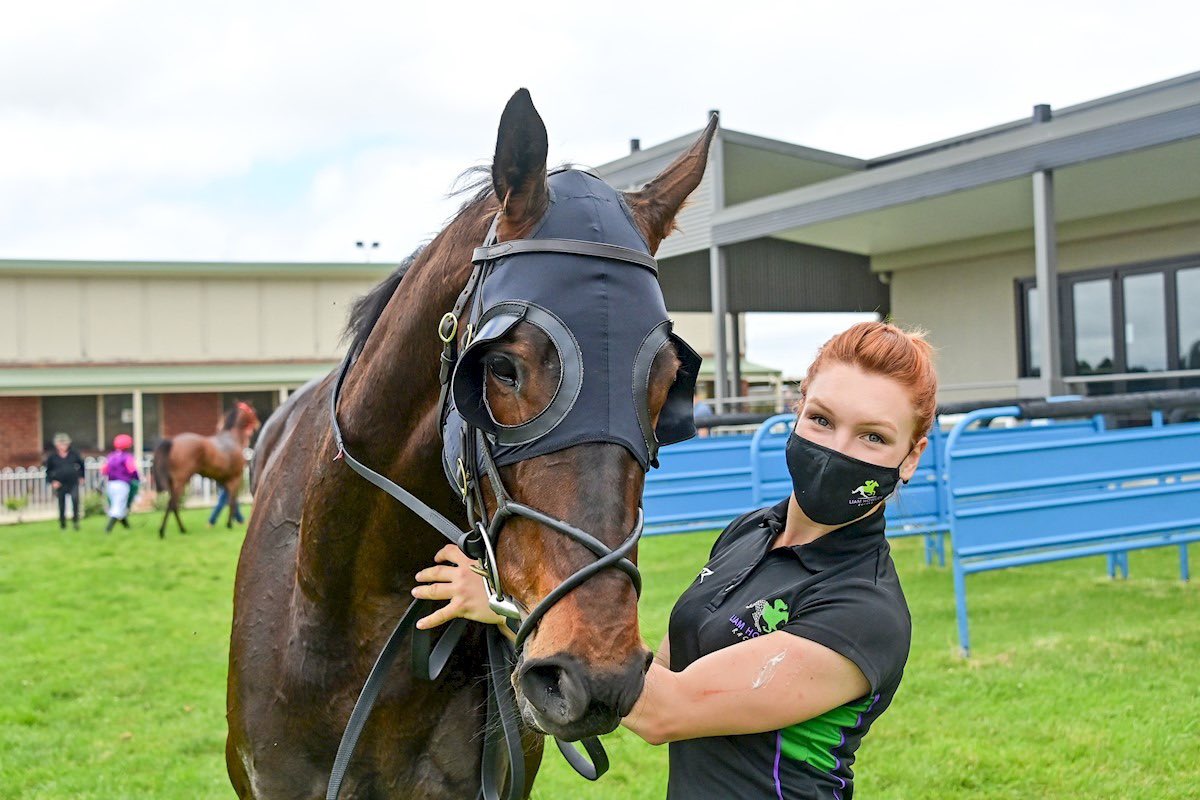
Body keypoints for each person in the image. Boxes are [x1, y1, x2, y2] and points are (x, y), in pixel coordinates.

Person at [412, 321, 936, 799]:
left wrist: (506, 605)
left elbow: (668, 709)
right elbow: (640, 677)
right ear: (797, 413)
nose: (836, 449)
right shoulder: (751, 533)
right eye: (821, 420)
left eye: (873, 436)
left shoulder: (865, 611)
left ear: (910, 456)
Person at [44, 433, 85, 530]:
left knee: (75, 501)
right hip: (60, 483)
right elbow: (48, 471)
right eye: (61, 444)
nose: (63, 446)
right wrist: (52, 481)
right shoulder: (52, 457)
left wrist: (81, 477)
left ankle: (75, 522)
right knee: (61, 504)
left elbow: (82, 466)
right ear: (57, 445)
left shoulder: (74, 454)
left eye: (65, 444)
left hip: (73, 482)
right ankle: (63, 524)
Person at [100, 434, 140, 533]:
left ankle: (127, 527)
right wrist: (138, 479)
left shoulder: (110, 456)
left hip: (110, 484)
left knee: (119, 506)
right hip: (122, 484)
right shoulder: (127, 457)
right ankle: (108, 529)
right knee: (118, 507)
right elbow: (132, 470)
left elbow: (104, 470)